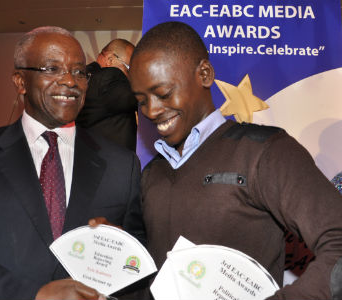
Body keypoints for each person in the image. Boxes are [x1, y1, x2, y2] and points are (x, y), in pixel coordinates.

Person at [128, 21, 342, 299]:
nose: (152, 110)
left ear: (204, 74)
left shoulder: (266, 151)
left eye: (163, 93)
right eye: (142, 100)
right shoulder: (153, 172)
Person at [0, 26, 145, 300]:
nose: (70, 81)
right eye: (52, 69)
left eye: (78, 71)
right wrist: (33, 295)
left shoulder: (123, 166)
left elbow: (137, 268)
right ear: (20, 81)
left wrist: (124, 251)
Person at [76, 39, 138, 152]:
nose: (131, 78)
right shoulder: (111, 76)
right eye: (129, 69)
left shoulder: (82, 79)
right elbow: (139, 99)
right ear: (110, 60)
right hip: (115, 163)